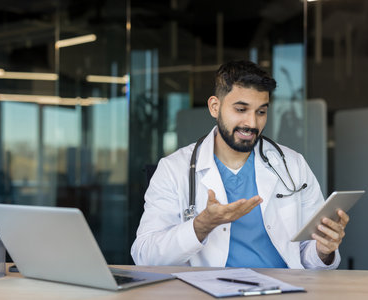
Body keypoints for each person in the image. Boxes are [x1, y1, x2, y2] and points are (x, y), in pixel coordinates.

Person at [131, 60, 348, 269]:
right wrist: (201, 225)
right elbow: (144, 255)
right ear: (215, 107)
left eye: (261, 112)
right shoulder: (174, 169)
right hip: (209, 293)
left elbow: (306, 256)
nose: (252, 123)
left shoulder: (293, 165)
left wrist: (323, 250)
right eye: (241, 109)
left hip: (284, 290)